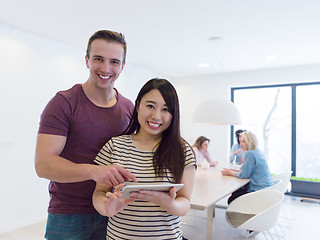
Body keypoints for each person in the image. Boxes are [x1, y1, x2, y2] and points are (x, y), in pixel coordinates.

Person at [35, 30, 137, 239]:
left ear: (123, 66)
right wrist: (94, 171)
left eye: (114, 62)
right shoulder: (63, 103)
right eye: (98, 59)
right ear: (87, 60)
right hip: (68, 214)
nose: (106, 68)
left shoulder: (128, 108)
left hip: (114, 212)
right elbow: (43, 165)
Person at [92, 78, 196, 240]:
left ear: (173, 114)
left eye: (166, 109)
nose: (156, 116)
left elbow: (185, 203)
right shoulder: (114, 146)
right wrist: (107, 208)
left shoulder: (182, 150)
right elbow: (99, 193)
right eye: (150, 106)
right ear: (138, 104)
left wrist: (170, 204)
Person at [221, 131, 272, 204]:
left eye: (244, 142)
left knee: (232, 199)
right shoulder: (257, 151)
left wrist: (230, 172)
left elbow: (244, 175)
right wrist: (235, 171)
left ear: (250, 142)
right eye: (241, 141)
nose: (241, 144)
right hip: (265, 188)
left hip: (257, 190)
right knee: (237, 192)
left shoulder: (250, 153)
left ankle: (239, 212)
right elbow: (249, 171)